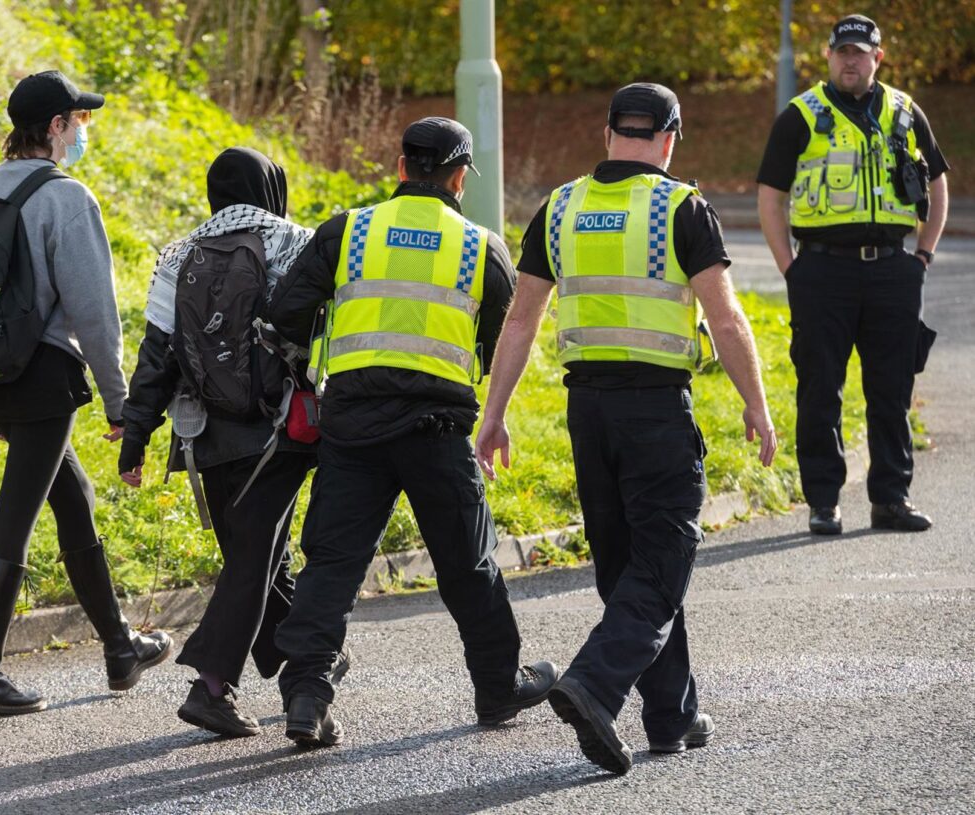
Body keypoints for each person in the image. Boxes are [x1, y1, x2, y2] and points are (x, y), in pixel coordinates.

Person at [475, 84, 776, 774]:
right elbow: (725, 317)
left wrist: (494, 415)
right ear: (669, 139)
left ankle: (671, 715)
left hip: (588, 412)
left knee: (629, 566)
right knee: (664, 561)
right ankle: (594, 683)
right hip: (656, 410)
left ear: (607, 133)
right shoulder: (681, 207)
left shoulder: (561, 207)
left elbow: (520, 320)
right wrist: (756, 404)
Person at [267, 117, 560, 747]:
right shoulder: (481, 247)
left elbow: (286, 310)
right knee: (467, 563)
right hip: (436, 427)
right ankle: (497, 686)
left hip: (352, 423)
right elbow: (498, 342)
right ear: (459, 179)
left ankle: (307, 692)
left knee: (334, 561)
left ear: (401, 168)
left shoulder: (348, 230)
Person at [0, 70, 171, 718]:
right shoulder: (66, 197)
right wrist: (120, 402)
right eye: (78, 121)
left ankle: (120, 646)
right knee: (16, 516)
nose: (81, 132)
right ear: (55, 126)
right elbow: (94, 314)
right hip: (44, 376)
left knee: (73, 499)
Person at [118, 147, 326, 738]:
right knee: (254, 561)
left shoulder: (179, 253)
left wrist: (136, 437)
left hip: (204, 432)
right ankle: (212, 686)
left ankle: (307, 677)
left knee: (257, 559)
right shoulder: (295, 243)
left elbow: (157, 353)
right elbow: (320, 332)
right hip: (278, 431)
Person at [757, 14, 949, 535]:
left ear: (876, 58)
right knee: (820, 389)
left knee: (892, 389)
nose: (850, 61)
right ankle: (824, 502)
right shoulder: (800, 116)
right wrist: (792, 270)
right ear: (828, 55)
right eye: (842, 52)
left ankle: (892, 498)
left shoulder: (905, 112)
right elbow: (771, 198)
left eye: (860, 53)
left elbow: (937, 184)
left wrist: (923, 256)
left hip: (892, 269)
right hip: (822, 270)